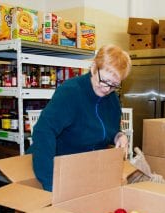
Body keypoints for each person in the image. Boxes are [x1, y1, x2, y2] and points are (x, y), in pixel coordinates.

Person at [28, 45, 132, 191]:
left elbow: (107, 129)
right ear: (94, 68)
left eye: (114, 85)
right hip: (59, 167)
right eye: (105, 81)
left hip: (88, 170)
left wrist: (118, 135)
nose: (107, 89)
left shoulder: (112, 99)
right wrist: (51, 183)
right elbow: (44, 132)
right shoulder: (71, 92)